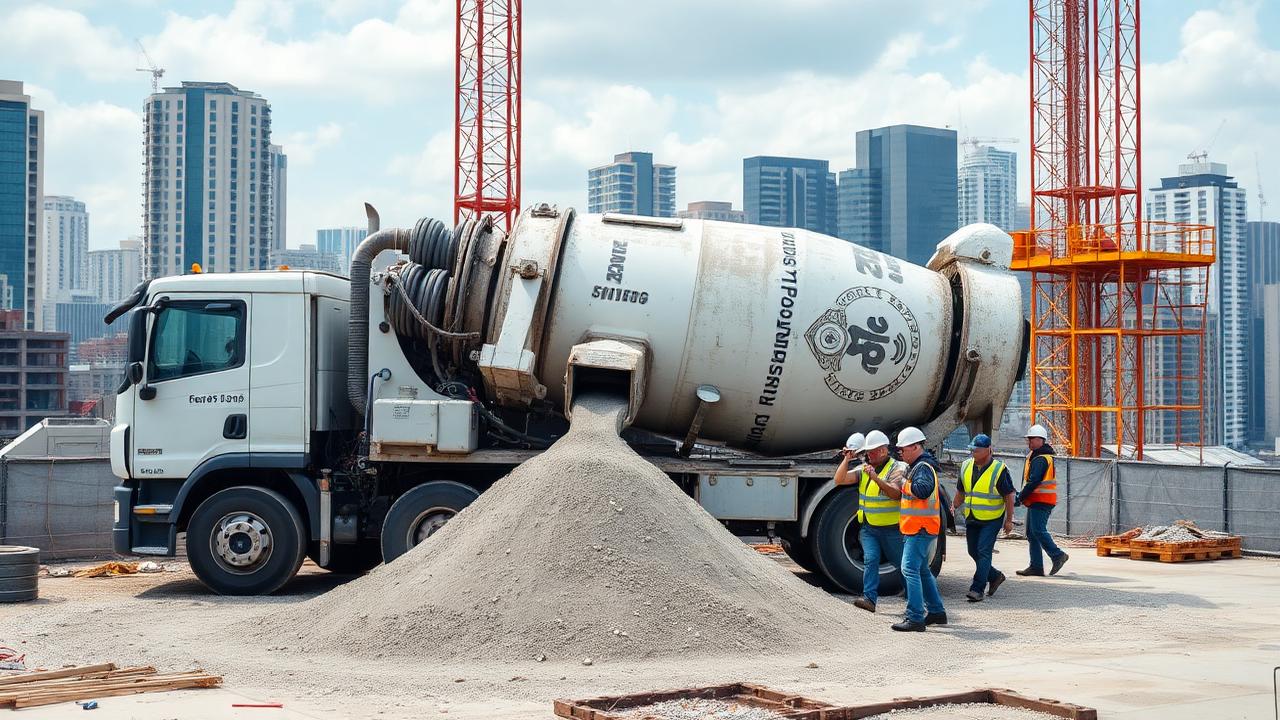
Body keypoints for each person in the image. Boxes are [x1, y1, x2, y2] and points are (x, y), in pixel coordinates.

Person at [836, 430, 904, 613]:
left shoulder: (897, 468)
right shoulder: (864, 469)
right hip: (869, 528)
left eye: (871, 451)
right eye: (866, 451)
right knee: (871, 559)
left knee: (904, 565)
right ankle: (869, 599)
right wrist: (846, 460)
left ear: (883, 450)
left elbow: (895, 493)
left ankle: (917, 596)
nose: (867, 455)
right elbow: (839, 479)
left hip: (891, 529)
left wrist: (876, 478)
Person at [890, 426, 947, 632]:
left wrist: (904, 483)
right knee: (922, 570)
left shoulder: (922, 468)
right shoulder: (922, 466)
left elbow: (922, 491)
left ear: (915, 447)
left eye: (903, 449)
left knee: (909, 570)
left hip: (919, 529)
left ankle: (915, 617)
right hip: (921, 528)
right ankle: (936, 612)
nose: (900, 452)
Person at [952, 433, 1015, 602]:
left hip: (992, 518)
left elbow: (1009, 495)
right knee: (973, 551)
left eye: (977, 451)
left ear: (988, 450)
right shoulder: (965, 466)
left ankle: (977, 589)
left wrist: (1009, 520)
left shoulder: (999, 470)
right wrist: (954, 506)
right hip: (972, 517)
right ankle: (994, 576)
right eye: (972, 450)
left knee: (983, 551)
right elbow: (961, 491)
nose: (973, 454)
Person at [1016, 424, 1069, 577]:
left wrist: (1020, 496)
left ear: (1040, 440)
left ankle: (1057, 555)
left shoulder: (1040, 459)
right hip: (1037, 500)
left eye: (1031, 439)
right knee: (1032, 533)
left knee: (1038, 530)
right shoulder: (1037, 456)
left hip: (1042, 500)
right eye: (1029, 439)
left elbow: (1034, 481)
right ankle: (1036, 567)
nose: (1029, 442)